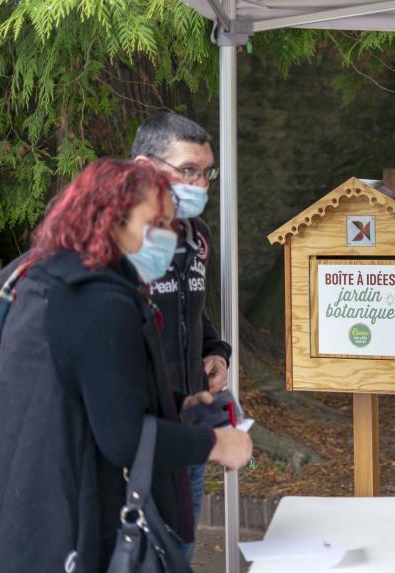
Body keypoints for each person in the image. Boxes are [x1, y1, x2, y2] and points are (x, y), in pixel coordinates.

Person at [0, 159, 252, 572]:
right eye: (158, 222)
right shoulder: (100, 302)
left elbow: (92, 388)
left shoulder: (52, 279)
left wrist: (176, 403)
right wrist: (216, 446)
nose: (170, 235)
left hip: (29, 515)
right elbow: (121, 436)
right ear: (111, 220)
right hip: (72, 530)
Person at [131, 112, 230, 560]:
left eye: (206, 172)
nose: (200, 184)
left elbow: (191, 305)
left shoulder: (196, 233)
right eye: (187, 170)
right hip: (136, 429)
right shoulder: (114, 237)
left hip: (189, 417)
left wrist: (215, 353)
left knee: (180, 550)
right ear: (143, 167)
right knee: (134, 553)